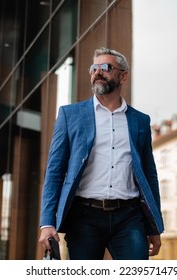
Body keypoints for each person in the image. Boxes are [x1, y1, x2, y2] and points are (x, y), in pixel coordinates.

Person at [39, 47, 164, 260]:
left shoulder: (140, 121)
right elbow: (54, 172)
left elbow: (149, 176)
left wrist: (154, 226)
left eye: (105, 68)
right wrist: (47, 222)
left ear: (123, 76)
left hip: (129, 217)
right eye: (94, 68)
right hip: (84, 216)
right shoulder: (70, 115)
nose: (98, 72)